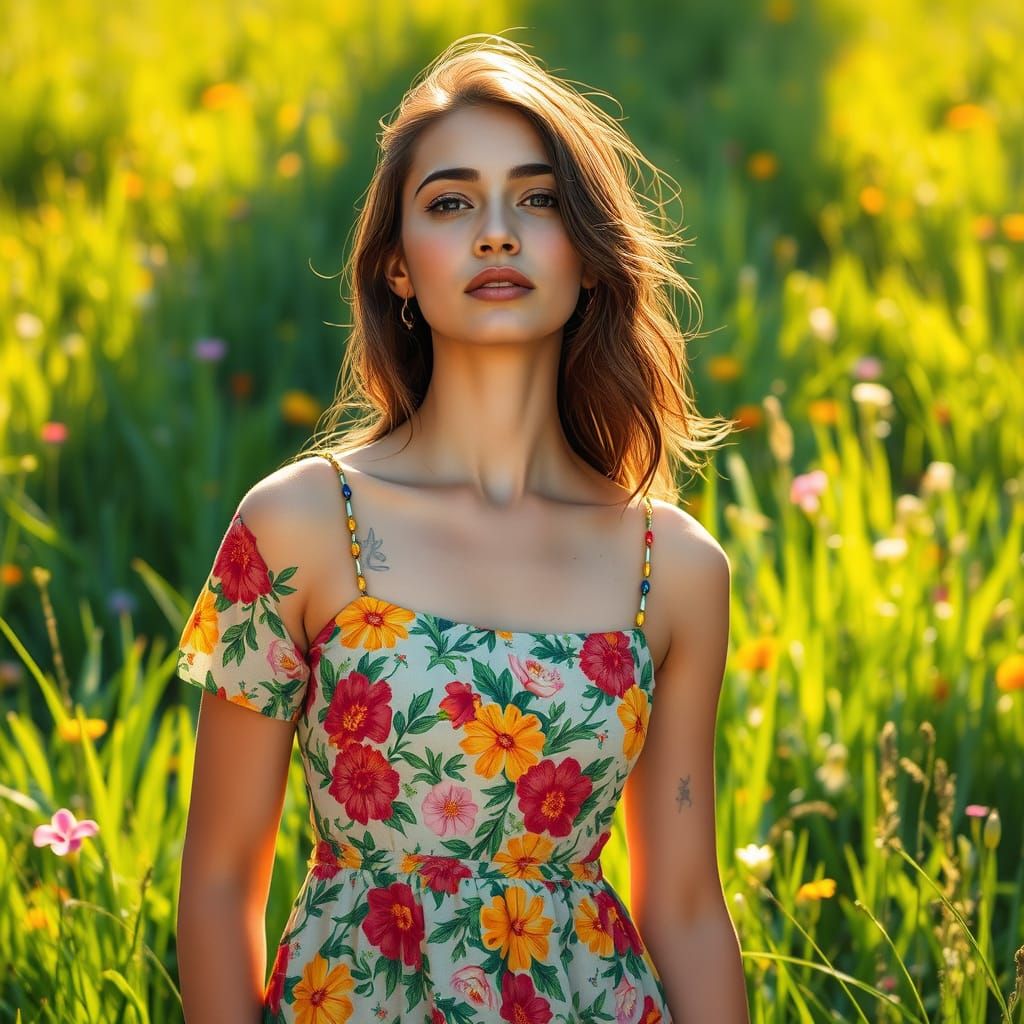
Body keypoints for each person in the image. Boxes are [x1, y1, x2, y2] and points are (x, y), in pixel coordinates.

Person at [175, 32, 748, 1024]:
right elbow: (222, 882)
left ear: (588, 253)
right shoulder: (296, 524)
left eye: (538, 200)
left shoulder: (677, 566)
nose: (496, 233)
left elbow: (687, 905)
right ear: (398, 267)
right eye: (451, 203)